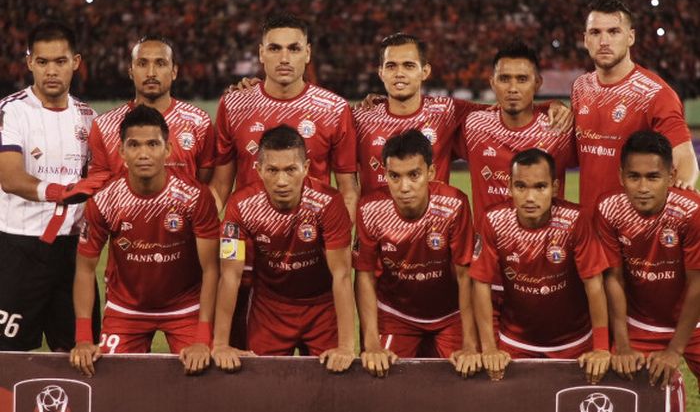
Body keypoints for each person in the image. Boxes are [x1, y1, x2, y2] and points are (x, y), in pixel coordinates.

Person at [210, 13, 358, 350]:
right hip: (254, 260)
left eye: (294, 48)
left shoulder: (333, 109)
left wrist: (335, 241)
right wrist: (210, 238)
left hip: (315, 255)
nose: (285, 58)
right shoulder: (234, 104)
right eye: (275, 48)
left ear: (308, 52)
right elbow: (220, 187)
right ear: (261, 54)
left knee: (328, 381)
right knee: (250, 373)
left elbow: (348, 190)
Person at [69, 105, 219, 376]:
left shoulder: (196, 197)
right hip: (126, 309)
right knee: (109, 380)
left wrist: (202, 337)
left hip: (186, 307)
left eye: (153, 144)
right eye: (134, 145)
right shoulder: (105, 201)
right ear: (121, 152)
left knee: (204, 378)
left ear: (168, 149)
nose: (144, 154)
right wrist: (82, 339)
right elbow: (84, 268)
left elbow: (211, 270)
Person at [208, 125, 355, 373]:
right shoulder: (240, 205)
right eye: (272, 171)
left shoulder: (329, 203)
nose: (282, 181)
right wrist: (220, 344)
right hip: (270, 308)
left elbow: (341, 275)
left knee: (334, 384)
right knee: (262, 383)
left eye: (291, 170)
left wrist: (347, 346)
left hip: (322, 307)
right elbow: (230, 274)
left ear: (306, 168)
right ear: (258, 170)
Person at [353, 33, 572, 195]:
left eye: (409, 65)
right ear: (381, 72)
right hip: (377, 235)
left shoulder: (447, 111)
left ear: (425, 71)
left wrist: (550, 105)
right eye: (391, 66)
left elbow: (509, 108)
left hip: (432, 237)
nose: (399, 73)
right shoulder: (361, 117)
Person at [470, 148, 610, 384]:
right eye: (521, 186)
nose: (530, 197)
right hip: (515, 340)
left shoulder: (576, 220)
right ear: (510, 187)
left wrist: (602, 347)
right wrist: (489, 348)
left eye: (540, 187)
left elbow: (594, 283)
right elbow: (480, 283)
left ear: (554, 187)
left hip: (574, 341)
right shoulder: (493, 220)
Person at [0, 21, 99, 351]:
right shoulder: (11, 111)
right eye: (42, 62)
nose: (51, 71)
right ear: (30, 63)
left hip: (72, 253)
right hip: (18, 248)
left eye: (60, 61)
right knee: (7, 358)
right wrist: (60, 192)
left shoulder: (89, 118)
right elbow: (10, 177)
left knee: (80, 353)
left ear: (76, 62)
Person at [355, 130, 480, 378]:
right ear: (385, 175)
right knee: (380, 376)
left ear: (430, 173)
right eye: (395, 176)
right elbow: (364, 276)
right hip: (395, 315)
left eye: (414, 175)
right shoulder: (370, 209)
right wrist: (371, 345)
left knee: (465, 379)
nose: (405, 187)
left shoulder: (454, 205)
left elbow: (466, 275)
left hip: (450, 315)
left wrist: (470, 344)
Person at [595, 130, 700, 404]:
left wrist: (675, 350)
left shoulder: (691, 211)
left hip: (695, 321)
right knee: (624, 389)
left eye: (653, 177)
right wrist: (624, 346)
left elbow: (698, 284)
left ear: (672, 176)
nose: (643, 188)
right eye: (634, 177)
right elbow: (613, 279)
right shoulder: (608, 209)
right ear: (621, 176)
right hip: (642, 324)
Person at [572, 0, 698, 211]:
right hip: (588, 230)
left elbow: (685, 159)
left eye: (613, 32)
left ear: (630, 37)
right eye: (595, 32)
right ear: (585, 39)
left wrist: (681, 196)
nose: (604, 41)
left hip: (632, 232)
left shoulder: (655, 94)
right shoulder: (581, 87)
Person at [460, 40, 576, 221]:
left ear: (537, 83)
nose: (512, 89)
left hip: (544, 246)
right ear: (492, 83)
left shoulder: (559, 129)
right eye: (504, 79)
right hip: (490, 247)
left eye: (522, 79)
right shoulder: (475, 125)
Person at [88, 35, 216, 187]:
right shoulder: (104, 125)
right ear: (130, 71)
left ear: (174, 71)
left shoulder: (199, 122)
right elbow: (99, 189)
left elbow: (204, 186)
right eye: (142, 64)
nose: (151, 73)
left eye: (160, 63)